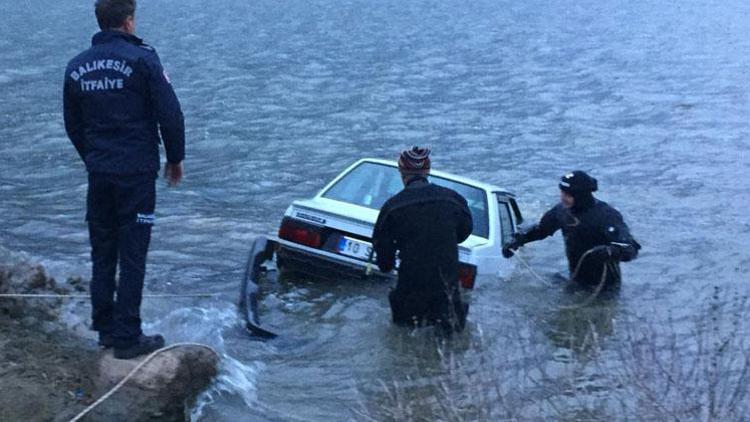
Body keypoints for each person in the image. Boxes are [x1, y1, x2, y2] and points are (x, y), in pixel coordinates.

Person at [63, 0, 185, 359]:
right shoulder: (144, 60)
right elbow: (171, 115)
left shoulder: (76, 67)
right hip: (135, 173)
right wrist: (175, 158)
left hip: (100, 173)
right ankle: (128, 337)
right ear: (129, 22)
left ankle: (104, 328)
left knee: (103, 250)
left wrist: (94, 158)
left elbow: (73, 125)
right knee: (133, 253)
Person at [372, 147, 473, 333]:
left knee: (403, 349)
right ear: (428, 170)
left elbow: (384, 262)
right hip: (447, 293)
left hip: (410, 295)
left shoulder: (392, 207)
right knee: (450, 349)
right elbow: (464, 234)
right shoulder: (453, 200)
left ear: (401, 172)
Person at [502, 171, 640, 289]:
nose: (562, 197)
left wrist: (611, 251)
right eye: (562, 192)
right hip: (575, 278)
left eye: (567, 194)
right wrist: (518, 240)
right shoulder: (561, 211)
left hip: (605, 287)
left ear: (581, 196)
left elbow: (631, 248)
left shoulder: (606, 216)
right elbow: (541, 230)